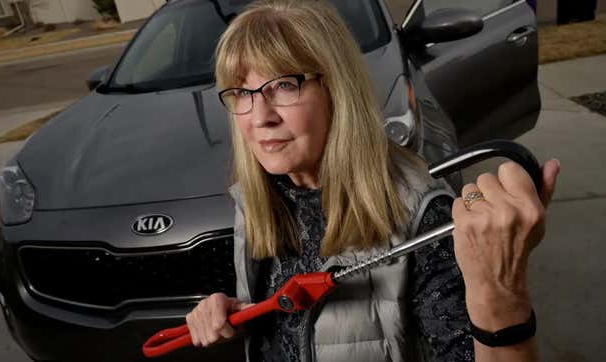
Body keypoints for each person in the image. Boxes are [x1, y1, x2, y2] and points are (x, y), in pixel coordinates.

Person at [185, 1, 560, 361]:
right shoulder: (260, 200)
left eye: (284, 85)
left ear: (336, 91)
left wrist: (501, 299)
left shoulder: (423, 220)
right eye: (241, 93)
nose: (260, 116)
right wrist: (236, 313)